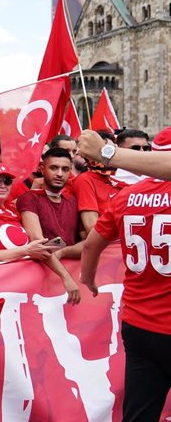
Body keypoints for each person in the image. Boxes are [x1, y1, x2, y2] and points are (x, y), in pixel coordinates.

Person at [80, 143, 171, 421]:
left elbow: (90, 245)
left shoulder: (127, 196)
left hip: (139, 324)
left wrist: (88, 277)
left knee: (139, 412)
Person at [16, 148, 81, 304]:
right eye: (54, 167)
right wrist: (66, 277)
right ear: (41, 169)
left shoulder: (72, 200)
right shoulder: (29, 198)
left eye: (65, 169)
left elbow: (87, 244)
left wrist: (63, 252)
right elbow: (38, 243)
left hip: (74, 283)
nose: (59, 173)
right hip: (40, 285)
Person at [0, 162, 55, 263]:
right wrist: (26, 251)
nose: (2, 185)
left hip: (28, 267)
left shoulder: (12, 207)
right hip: (6, 272)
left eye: (7, 181)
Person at [71, 130, 127, 241]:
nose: (108, 155)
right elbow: (92, 228)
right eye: (102, 150)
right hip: (107, 249)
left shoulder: (118, 183)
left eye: (111, 150)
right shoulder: (85, 180)